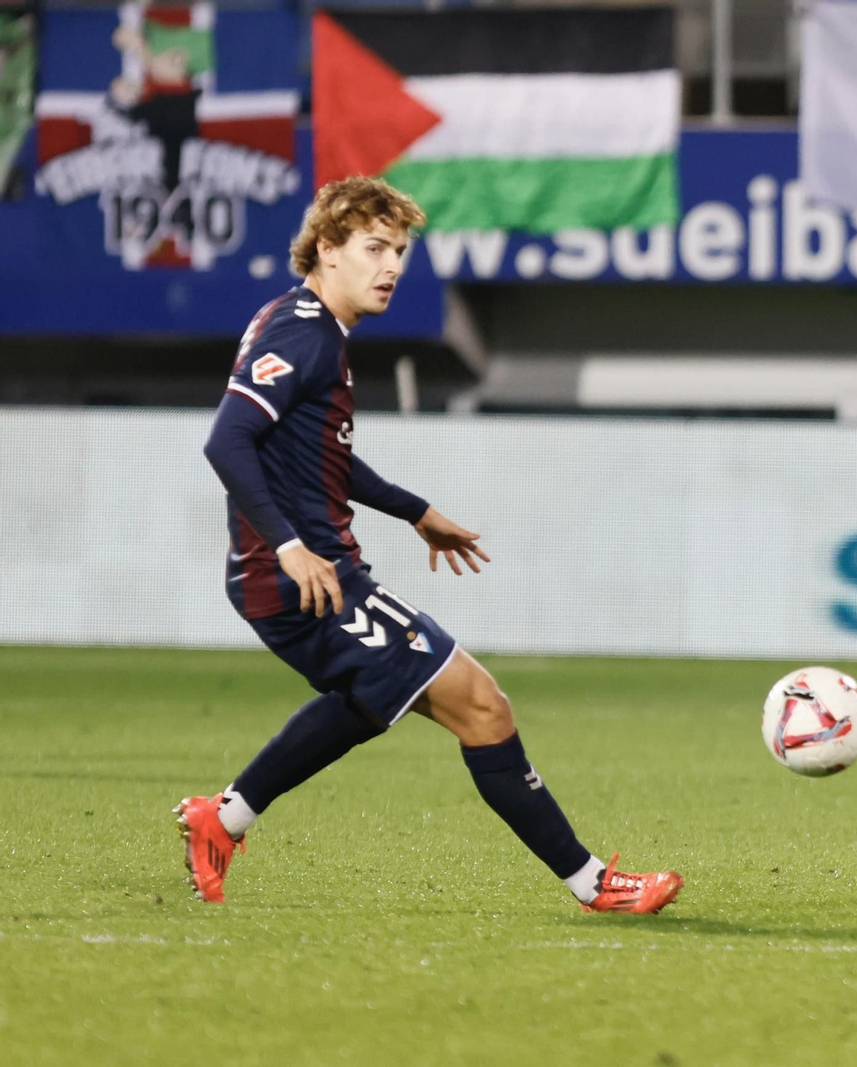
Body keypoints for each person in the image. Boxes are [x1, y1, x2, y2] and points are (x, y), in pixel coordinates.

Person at [176, 175, 682, 914]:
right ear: (326, 249)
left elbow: (319, 456)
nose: (391, 266)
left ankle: (221, 819)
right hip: (301, 576)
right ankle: (595, 882)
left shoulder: (304, 325)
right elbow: (228, 439)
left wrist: (414, 511)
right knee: (483, 706)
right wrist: (287, 545)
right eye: (374, 247)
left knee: (366, 702)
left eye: (401, 251)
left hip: (303, 572)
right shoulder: (304, 332)